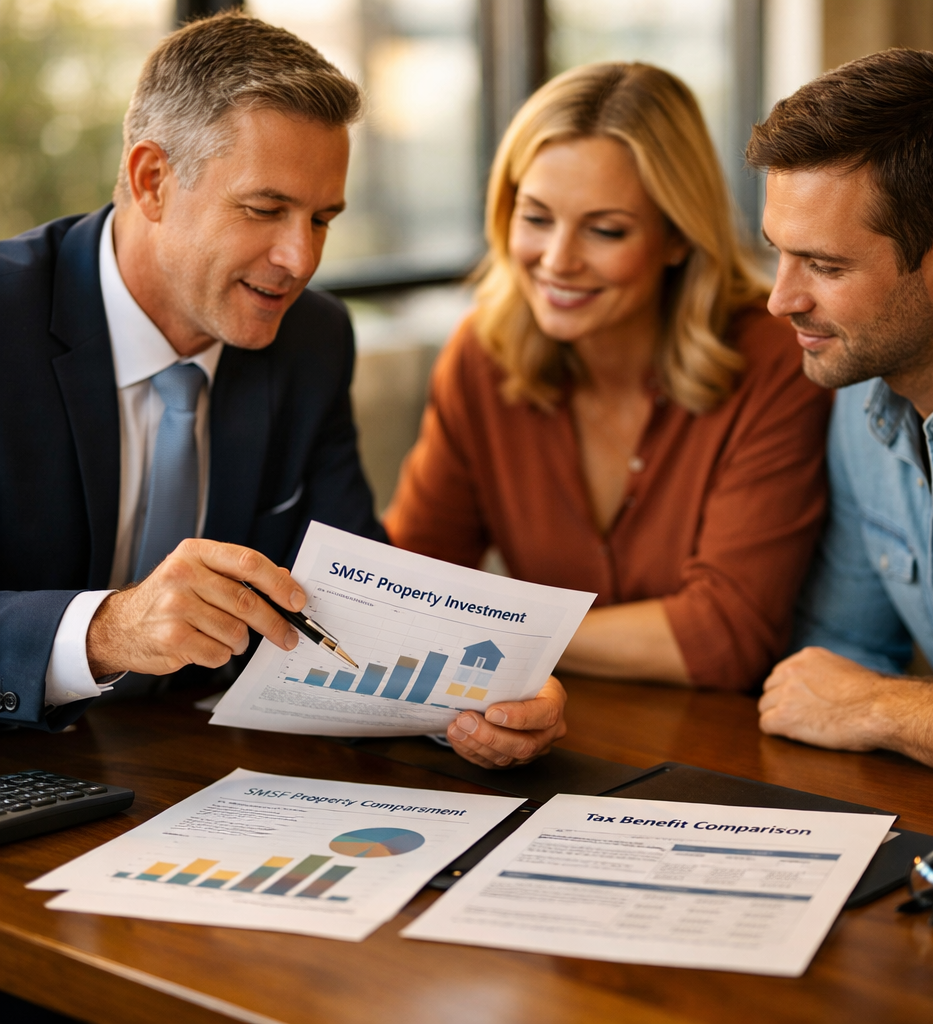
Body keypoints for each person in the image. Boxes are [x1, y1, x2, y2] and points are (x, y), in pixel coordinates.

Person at [0, 13, 559, 770]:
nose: (300, 260)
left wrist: (487, 696)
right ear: (151, 180)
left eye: (323, 218)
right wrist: (108, 631)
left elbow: (353, 598)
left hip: (191, 769)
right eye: (264, 210)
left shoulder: (312, 338)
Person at [385, 62, 831, 706]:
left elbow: (724, 636)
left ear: (676, 236)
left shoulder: (774, 359)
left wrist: (490, 638)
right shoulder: (480, 355)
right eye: (536, 218)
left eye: (605, 230)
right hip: (540, 731)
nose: (558, 260)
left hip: (728, 755)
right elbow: (409, 586)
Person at [747, 48, 933, 794]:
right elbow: (837, 658)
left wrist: (880, 709)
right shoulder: (858, 387)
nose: (782, 300)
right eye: (779, 254)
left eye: (825, 268)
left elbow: (853, 695)